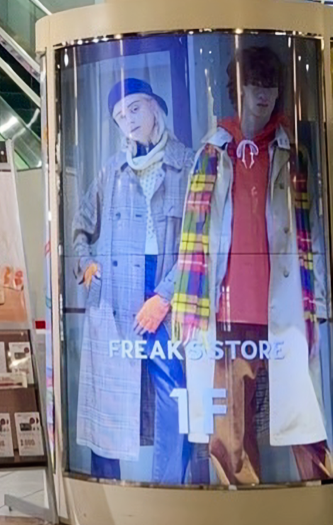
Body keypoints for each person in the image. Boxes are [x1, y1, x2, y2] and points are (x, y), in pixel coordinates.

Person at [170, 46, 333, 485]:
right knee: (230, 428)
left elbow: (311, 234)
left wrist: (317, 304)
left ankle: (322, 496)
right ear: (237, 90)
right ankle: (242, 507)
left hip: (287, 308)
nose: (263, 93)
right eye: (254, 84)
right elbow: (193, 237)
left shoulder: (291, 153)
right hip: (229, 309)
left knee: (306, 416)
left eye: (270, 85)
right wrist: (188, 307)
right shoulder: (212, 152)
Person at [70, 77, 195, 483]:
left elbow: (201, 242)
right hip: (115, 293)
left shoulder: (188, 163)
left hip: (164, 290)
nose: (129, 120)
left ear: (155, 106)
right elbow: (80, 227)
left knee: (173, 391)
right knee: (108, 397)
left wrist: (165, 295)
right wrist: (87, 267)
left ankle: (169, 489)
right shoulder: (113, 169)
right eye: (120, 116)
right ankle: (104, 490)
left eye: (135, 108)